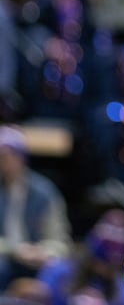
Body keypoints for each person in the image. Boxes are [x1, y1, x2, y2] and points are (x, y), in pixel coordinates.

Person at [0, 124, 72, 290]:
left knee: (61, 271)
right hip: (6, 257)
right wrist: (15, 250)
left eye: (5, 157)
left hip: (39, 259)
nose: (2, 163)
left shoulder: (45, 192)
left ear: (21, 157)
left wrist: (44, 252)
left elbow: (59, 239)